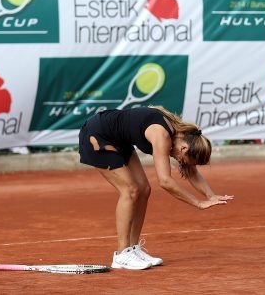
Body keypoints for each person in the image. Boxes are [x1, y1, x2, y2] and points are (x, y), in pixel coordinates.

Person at [78, 105, 233, 270]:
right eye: (182, 160)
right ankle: (122, 254)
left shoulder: (180, 137)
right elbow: (165, 181)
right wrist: (198, 203)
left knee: (144, 189)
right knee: (130, 190)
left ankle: (132, 249)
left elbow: (191, 172)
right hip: (97, 134)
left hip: (119, 140)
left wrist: (210, 195)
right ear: (184, 148)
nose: (179, 162)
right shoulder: (163, 135)